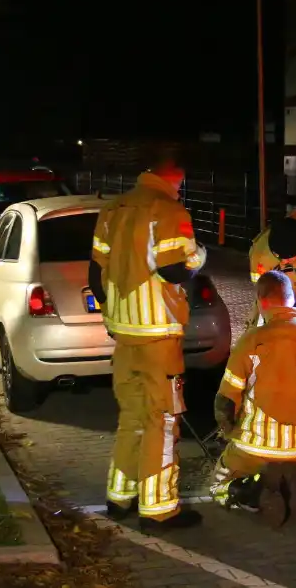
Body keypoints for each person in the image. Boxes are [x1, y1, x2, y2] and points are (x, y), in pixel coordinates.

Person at [89, 157, 207, 531]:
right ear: (175, 176)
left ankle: (119, 497)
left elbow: (96, 274)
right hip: (158, 334)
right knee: (162, 420)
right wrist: (199, 256)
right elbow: (175, 268)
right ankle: (159, 509)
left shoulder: (112, 210)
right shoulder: (169, 210)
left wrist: (115, 314)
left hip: (124, 334)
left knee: (132, 416)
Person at [209, 271, 296, 527]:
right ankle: (294, 480)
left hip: (257, 446)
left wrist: (230, 433)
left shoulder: (250, 341)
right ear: (292, 299)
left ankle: (256, 493)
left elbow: (226, 402)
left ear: (262, 302)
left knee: (218, 486)